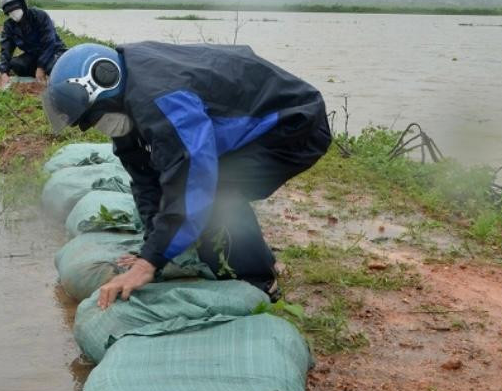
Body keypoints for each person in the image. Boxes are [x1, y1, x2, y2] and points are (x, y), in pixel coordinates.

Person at [42, 41, 331, 309]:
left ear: (105, 84)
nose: (97, 126)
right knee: (184, 191)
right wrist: (151, 248)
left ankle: (259, 282)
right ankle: (248, 257)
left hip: (293, 125)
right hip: (241, 127)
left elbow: (193, 178)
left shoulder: (161, 99)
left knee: (214, 193)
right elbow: (144, 178)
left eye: (94, 118)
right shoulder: (125, 101)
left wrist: (149, 263)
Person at [0, 0, 67, 86]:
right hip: (34, 55)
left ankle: (51, 76)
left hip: (53, 51)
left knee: (51, 67)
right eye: (10, 12)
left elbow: (49, 42)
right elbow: (5, 49)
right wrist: (4, 71)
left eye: (16, 10)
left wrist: (41, 66)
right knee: (15, 64)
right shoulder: (9, 26)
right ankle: (38, 76)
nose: (14, 14)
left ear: (23, 6)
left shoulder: (39, 16)